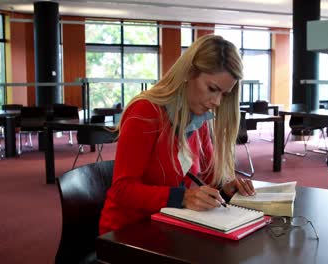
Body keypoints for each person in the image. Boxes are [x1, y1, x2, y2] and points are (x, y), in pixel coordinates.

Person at [99, 34, 256, 234]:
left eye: (223, 95)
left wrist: (225, 188)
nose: (216, 102)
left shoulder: (198, 118)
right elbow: (122, 190)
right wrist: (182, 197)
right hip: (128, 232)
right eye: (212, 89)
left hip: (170, 225)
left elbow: (207, 177)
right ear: (189, 73)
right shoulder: (145, 111)